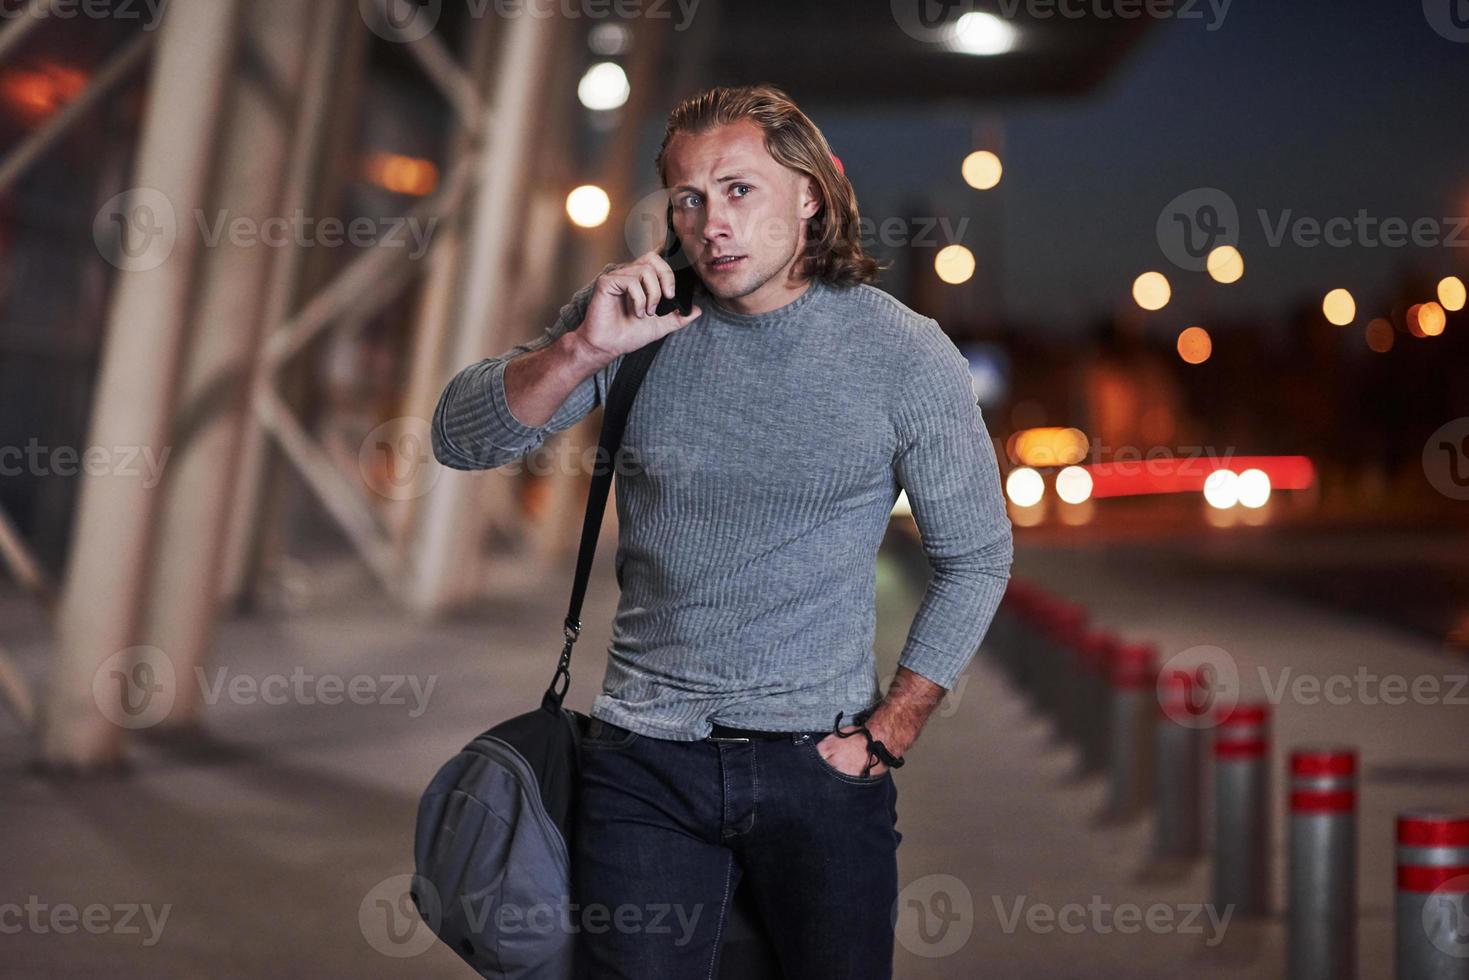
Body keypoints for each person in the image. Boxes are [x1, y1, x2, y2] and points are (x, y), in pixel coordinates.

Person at [430, 83, 1013, 980]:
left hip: (821, 771)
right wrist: (580, 353)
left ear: (808, 193)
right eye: (689, 198)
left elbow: (975, 557)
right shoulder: (635, 322)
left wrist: (889, 730)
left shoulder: (901, 353)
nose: (712, 223)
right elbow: (459, 441)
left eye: (739, 189)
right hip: (642, 766)